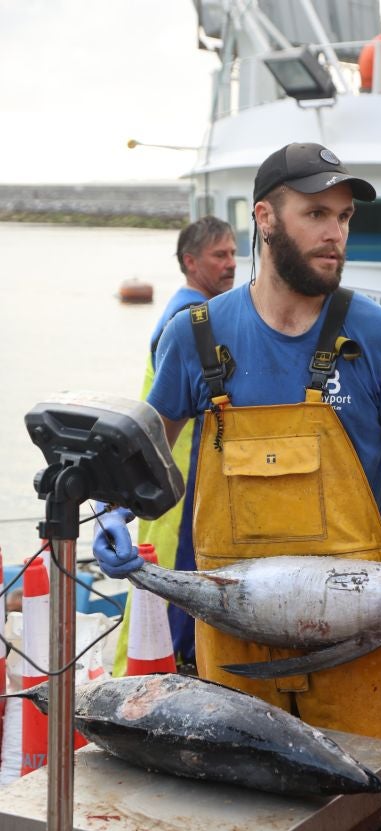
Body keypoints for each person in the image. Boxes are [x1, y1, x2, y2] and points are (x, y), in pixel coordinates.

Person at [93, 144, 381, 831]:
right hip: (234, 651)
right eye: (316, 213)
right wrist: (115, 514)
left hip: (356, 652)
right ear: (265, 218)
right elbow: (149, 450)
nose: (335, 234)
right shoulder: (197, 337)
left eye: (345, 217)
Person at [111, 217, 236, 675]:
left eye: (232, 253)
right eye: (219, 255)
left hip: (172, 484)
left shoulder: (194, 311)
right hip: (175, 488)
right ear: (190, 261)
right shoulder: (187, 319)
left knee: (155, 594)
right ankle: (138, 684)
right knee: (164, 595)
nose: (230, 263)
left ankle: (141, 674)